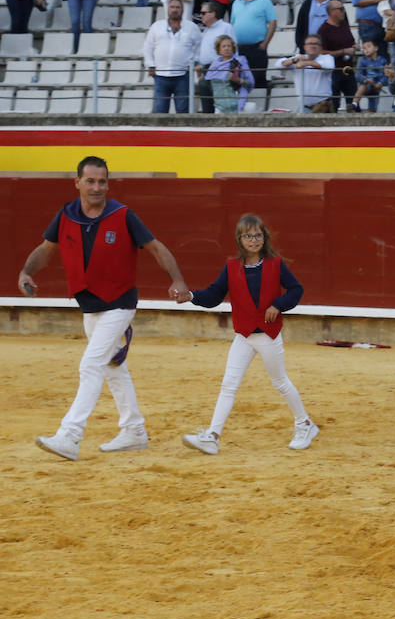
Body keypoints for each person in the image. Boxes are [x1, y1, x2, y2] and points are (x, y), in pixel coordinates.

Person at [23, 157, 189, 461]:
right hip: (90, 305)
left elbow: (156, 247)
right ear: (77, 183)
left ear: (108, 184)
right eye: (90, 181)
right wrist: (26, 271)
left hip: (119, 303)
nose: (97, 187)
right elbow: (46, 248)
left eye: (102, 181)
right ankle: (134, 430)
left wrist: (177, 279)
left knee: (91, 365)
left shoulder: (122, 215)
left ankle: (70, 436)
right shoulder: (67, 214)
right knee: (114, 368)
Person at [176, 214, 317, 455]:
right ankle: (212, 436)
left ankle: (305, 424)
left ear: (265, 237)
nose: (254, 240)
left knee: (280, 382)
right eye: (248, 236)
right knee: (228, 385)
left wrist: (278, 305)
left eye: (258, 235)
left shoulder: (275, 263)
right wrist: (191, 296)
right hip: (244, 334)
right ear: (240, 239)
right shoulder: (231, 266)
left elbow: (296, 289)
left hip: (267, 335)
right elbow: (214, 294)